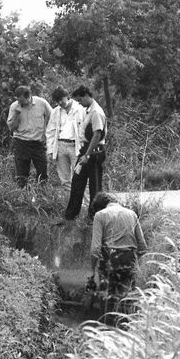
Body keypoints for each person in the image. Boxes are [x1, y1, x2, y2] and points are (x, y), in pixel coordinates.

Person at [89, 192, 147, 320]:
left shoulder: (100, 215)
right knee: (129, 297)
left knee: (107, 297)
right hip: (129, 258)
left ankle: (106, 330)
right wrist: (135, 264)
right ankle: (128, 329)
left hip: (110, 259)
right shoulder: (132, 214)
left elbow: (95, 249)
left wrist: (92, 272)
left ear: (100, 207)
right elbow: (142, 246)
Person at [64, 86, 107, 222]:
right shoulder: (88, 111)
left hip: (94, 152)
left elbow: (97, 134)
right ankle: (70, 215)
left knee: (95, 187)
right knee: (77, 182)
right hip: (86, 150)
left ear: (87, 96)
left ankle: (94, 217)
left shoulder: (96, 112)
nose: (80, 103)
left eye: (80, 99)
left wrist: (87, 155)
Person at [7, 85, 52, 188]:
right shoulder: (14, 106)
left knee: (42, 172)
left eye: (22, 101)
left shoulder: (42, 103)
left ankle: (42, 195)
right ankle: (23, 197)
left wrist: (47, 131)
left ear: (29, 96)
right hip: (21, 142)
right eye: (18, 100)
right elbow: (12, 128)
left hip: (38, 142)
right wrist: (17, 114)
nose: (20, 103)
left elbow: (53, 116)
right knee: (22, 174)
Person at [46, 86, 85, 191]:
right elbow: (50, 131)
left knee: (80, 176)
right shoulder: (56, 112)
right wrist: (50, 150)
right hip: (61, 146)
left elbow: (86, 130)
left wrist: (85, 149)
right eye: (57, 101)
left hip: (76, 146)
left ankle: (85, 205)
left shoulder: (80, 109)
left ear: (67, 97)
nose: (60, 103)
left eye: (61, 99)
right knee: (64, 179)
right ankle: (69, 204)